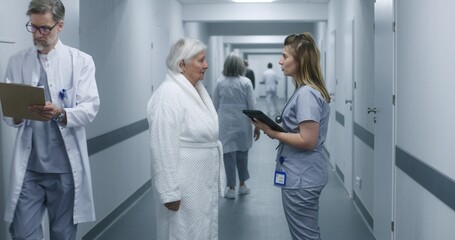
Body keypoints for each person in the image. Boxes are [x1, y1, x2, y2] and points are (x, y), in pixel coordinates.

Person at [2, 0, 100, 239]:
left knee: (62, 235)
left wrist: (61, 112)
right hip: (30, 169)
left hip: (65, 169)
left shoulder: (81, 61)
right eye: (33, 27)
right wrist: (17, 112)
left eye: (44, 28)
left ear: (60, 26)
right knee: (22, 233)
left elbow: (90, 108)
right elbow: (9, 115)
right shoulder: (17, 61)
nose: (37, 34)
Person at [252, 32, 331, 240]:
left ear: (300, 60)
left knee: (305, 236)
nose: (280, 61)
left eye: (285, 56)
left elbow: (307, 140)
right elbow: (301, 132)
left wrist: (273, 132)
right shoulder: (303, 90)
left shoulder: (306, 94)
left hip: (302, 178)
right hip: (302, 174)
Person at [147, 38, 225, 239]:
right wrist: (169, 192)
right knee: (181, 231)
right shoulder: (168, 94)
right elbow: (162, 145)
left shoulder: (195, 90)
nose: (206, 65)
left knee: (201, 228)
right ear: (182, 64)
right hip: (183, 184)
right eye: (201, 61)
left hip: (200, 181)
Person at [212, 54, 260, 199]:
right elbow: (252, 106)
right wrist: (257, 126)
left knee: (228, 155)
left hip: (225, 123)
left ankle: (231, 188)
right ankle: (243, 185)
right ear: (240, 66)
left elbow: (214, 105)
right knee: (242, 153)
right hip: (242, 122)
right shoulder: (245, 82)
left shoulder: (220, 82)